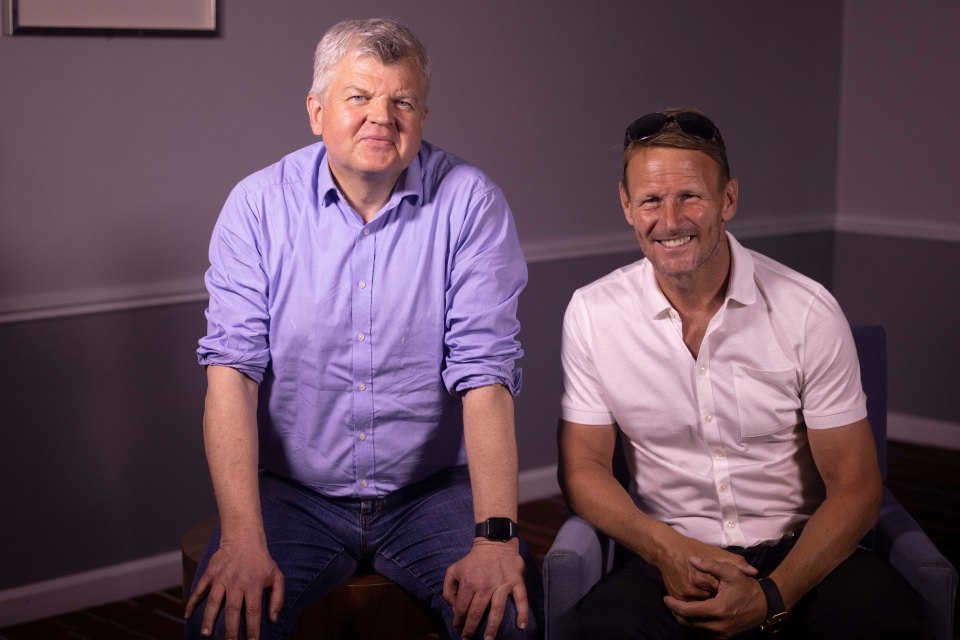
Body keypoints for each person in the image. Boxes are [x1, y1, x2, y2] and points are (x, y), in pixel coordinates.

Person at [184, 18, 541, 640]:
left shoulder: (471, 203)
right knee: (224, 627)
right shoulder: (257, 207)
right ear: (316, 111)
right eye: (359, 98)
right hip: (296, 495)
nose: (383, 117)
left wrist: (495, 537)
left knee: (507, 622)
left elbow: (486, 376)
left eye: (401, 100)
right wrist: (242, 538)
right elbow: (232, 376)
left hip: (429, 494)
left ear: (423, 117)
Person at [557, 108, 933, 639]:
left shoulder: (808, 311)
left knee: (884, 623)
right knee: (607, 629)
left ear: (728, 199)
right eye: (650, 200)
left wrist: (771, 596)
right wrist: (666, 548)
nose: (669, 220)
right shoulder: (592, 314)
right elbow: (584, 468)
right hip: (670, 551)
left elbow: (857, 484)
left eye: (690, 195)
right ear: (626, 205)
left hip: (802, 554)